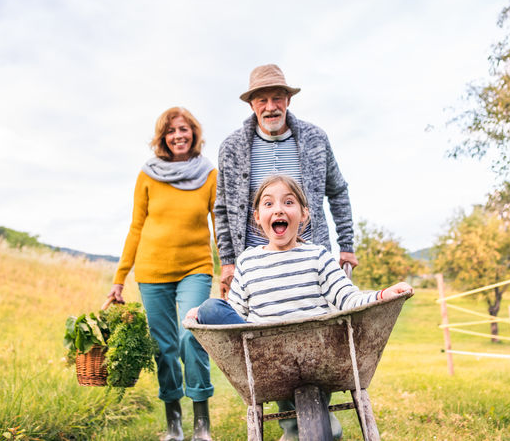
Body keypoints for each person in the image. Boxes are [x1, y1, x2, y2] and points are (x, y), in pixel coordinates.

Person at [188, 174, 413, 441]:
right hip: (263, 356)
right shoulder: (248, 261)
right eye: (269, 204)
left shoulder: (317, 256)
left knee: (308, 417)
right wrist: (205, 314)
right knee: (212, 307)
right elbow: (236, 310)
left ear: (304, 214)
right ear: (258, 217)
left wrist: (383, 294)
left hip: (318, 354)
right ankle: (311, 428)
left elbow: (347, 299)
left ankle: (311, 427)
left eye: (289, 202)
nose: (279, 209)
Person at [107, 106, 216, 441]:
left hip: (195, 267)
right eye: (171, 131)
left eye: (184, 129)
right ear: (163, 138)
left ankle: (202, 425)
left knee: (191, 336)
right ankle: (174, 424)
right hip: (152, 271)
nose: (178, 136)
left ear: (194, 133)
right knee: (163, 347)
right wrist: (120, 277)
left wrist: (229, 268)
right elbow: (136, 226)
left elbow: (220, 223)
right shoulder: (148, 174)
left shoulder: (209, 174)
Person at [214, 64, 357, 301]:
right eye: (262, 100)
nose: (271, 107)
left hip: (309, 257)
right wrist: (228, 262)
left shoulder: (315, 140)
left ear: (288, 100)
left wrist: (347, 245)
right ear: (251, 105)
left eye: (277, 98)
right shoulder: (231, 148)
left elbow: (338, 191)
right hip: (255, 264)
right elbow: (222, 208)